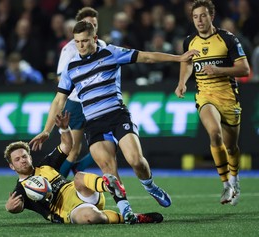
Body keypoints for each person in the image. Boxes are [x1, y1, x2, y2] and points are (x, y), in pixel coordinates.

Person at [29, 20, 199, 223]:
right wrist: (47, 130)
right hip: (94, 124)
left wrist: (179, 58)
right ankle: (125, 209)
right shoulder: (71, 68)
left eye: (84, 41)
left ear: (94, 38)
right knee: (108, 170)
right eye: (77, 42)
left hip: (118, 116)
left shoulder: (110, 53)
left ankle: (150, 185)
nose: (80, 46)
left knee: (136, 160)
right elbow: (59, 100)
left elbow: (146, 57)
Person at [4, 111, 163, 224]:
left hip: (83, 192)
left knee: (79, 177)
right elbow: (15, 207)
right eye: (17, 159)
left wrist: (65, 129)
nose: (22, 160)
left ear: (30, 157)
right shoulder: (21, 189)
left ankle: (108, 184)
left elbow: (67, 145)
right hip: (69, 211)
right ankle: (131, 217)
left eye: (24, 156)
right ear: (12, 166)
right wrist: (10, 208)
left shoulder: (45, 164)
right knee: (90, 217)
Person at [174, 0, 250, 206]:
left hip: (228, 97)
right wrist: (182, 82)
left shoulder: (227, 39)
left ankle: (235, 179)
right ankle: (226, 185)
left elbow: (244, 69)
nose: (199, 20)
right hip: (205, 95)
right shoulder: (189, 41)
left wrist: (219, 70)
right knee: (214, 133)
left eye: (203, 16)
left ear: (211, 16)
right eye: (195, 17)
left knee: (232, 147)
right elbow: (187, 63)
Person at [56, 7, 104, 178]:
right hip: (76, 103)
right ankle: (56, 185)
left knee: (111, 139)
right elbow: (61, 78)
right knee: (73, 149)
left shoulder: (103, 45)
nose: (93, 26)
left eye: (95, 24)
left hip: (98, 102)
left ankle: (79, 167)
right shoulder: (70, 49)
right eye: (89, 23)